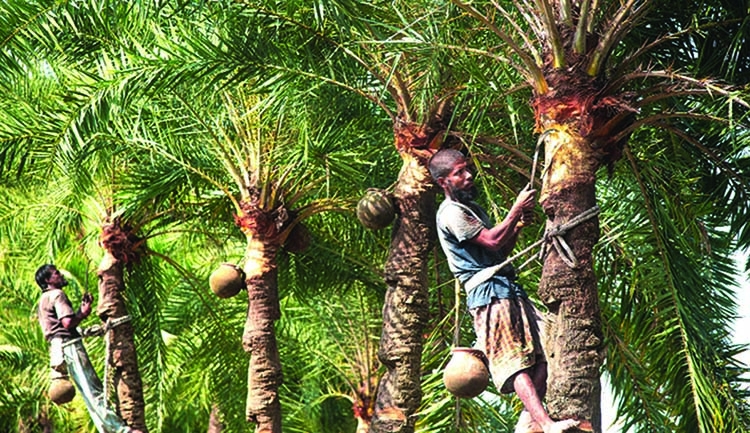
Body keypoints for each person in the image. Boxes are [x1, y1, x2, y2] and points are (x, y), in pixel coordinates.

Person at [429, 149, 580, 433]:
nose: (469, 176)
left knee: (548, 348)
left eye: (467, 169)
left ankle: (529, 421)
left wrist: (519, 223)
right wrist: (515, 208)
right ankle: (546, 424)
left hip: (507, 287)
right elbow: (492, 240)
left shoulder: (473, 210)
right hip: (488, 295)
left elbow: (499, 251)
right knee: (514, 361)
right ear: (443, 182)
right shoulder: (451, 213)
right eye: (459, 173)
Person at [36, 264, 141, 433]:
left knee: (88, 395)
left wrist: (81, 312)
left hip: (58, 349)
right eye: (56, 273)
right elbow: (67, 323)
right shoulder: (57, 295)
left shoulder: (43, 300)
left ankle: (109, 430)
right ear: (48, 280)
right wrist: (83, 313)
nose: (60, 275)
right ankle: (122, 430)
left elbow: (57, 327)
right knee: (93, 391)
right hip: (69, 346)